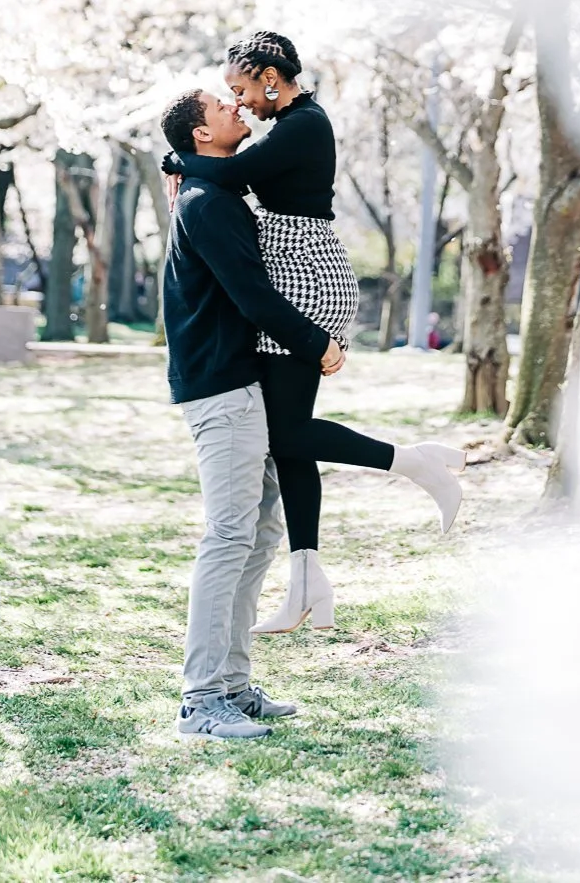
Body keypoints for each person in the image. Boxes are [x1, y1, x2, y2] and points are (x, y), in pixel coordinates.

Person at [170, 31, 461, 635]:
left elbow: (230, 176)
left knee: (286, 430)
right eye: (231, 95)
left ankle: (412, 463)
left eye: (244, 87)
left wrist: (177, 162)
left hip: (304, 274)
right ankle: (307, 582)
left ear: (269, 75)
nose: (242, 100)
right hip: (294, 267)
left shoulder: (303, 124)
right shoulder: (289, 125)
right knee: (288, 440)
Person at [158, 81, 336, 743]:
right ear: (202, 135)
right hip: (220, 387)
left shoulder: (217, 190)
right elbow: (253, 295)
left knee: (258, 534)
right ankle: (200, 700)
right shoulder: (207, 203)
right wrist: (318, 344)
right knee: (229, 535)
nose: (238, 107)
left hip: (241, 383)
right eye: (223, 107)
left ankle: (233, 684)